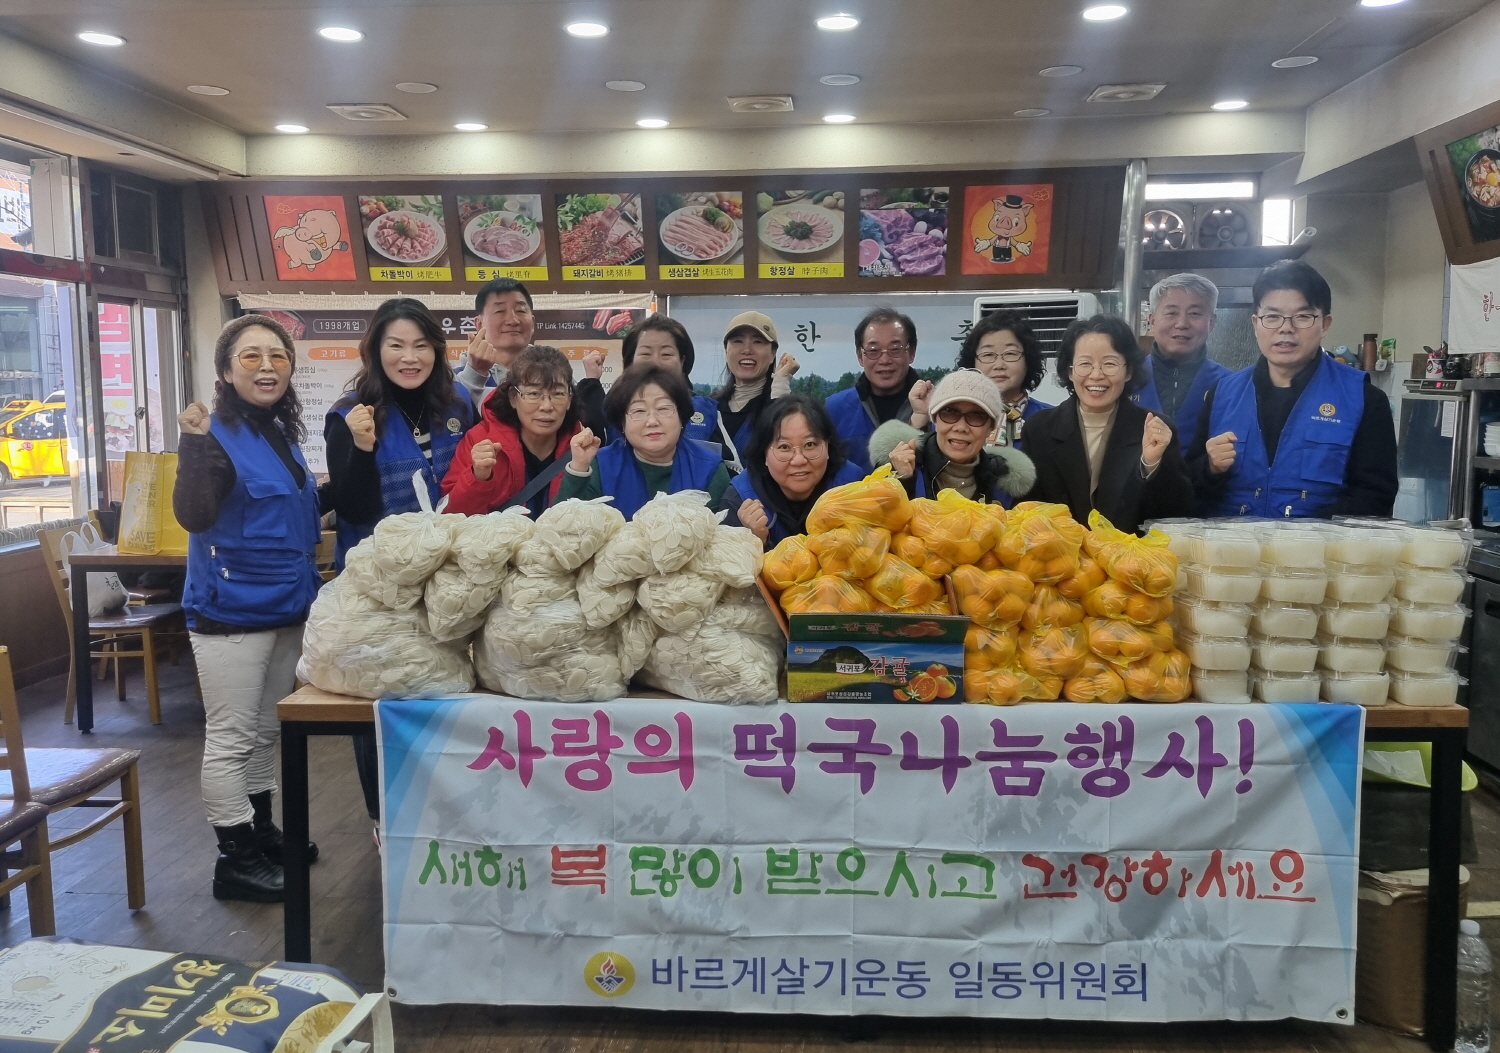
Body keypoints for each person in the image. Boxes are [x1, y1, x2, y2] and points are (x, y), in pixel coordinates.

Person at [173, 315, 323, 903]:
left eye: (278, 356)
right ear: (226, 371)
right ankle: (234, 858)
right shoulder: (212, 432)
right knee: (232, 735)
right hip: (228, 610)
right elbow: (194, 514)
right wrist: (190, 444)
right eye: (251, 357)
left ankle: (262, 835)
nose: (267, 367)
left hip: (287, 603)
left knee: (265, 731)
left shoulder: (278, 434)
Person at [1189, 259, 1398, 518]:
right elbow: (1189, 490)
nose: (1286, 328)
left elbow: (1376, 497)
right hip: (1232, 551)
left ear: (1325, 324)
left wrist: (1303, 536)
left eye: (1302, 317)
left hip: (1319, 554)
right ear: (1255, 323)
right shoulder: (1221, 395)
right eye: (1272, 317)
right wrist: (1209, 468)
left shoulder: (1364, 399)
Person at [325, 298, 474, 569]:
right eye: (396, 345)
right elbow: (353, 511)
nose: (410, 358)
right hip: (378, 576)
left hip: (451, 570)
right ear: (376, 350)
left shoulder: (458, 403)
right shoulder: (349, 415)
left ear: (436, 350)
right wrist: (362, 448)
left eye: (421, 345)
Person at [1020, 314, 1195, 533]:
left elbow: (1178, 514)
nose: (1096, 375)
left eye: (1109, 364)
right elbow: (1027, 512)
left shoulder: (1154, 428)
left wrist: (1151, 465)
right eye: (1085, 364)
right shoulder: (1039, 429)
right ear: (1070, 371)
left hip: (1132, 561)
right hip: (1062, 561)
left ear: (1128, 371)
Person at [560, 363, 732, 518]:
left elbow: (719, 542)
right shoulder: (601, 464)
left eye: (663, 408)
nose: (652, 421)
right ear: (621, 423)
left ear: (682, 416)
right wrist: (579, 469)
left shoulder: (709, 469)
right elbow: (561, 529)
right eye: (639, 411)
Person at [441, 345, 582, 516]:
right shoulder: (481, 440)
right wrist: (478, 477)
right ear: (513, 398)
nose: (546, 406)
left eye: (558, 394)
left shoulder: (582, 446)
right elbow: (451, 516)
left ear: (569, 400)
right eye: (533, 394)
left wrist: (580, 470)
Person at [869, 369, 1036, 504]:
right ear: (934, 418)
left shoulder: (1003, 484)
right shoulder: (896, 466)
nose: (961, 427)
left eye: (976, 416)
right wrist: (902, 482)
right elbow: (869, 530)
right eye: (949, 413)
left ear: (991, 427)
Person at [718, 395, 865, 547]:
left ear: (827, 446)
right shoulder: (740, 499)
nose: (799, 460)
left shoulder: (855, 487)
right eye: (784, 447)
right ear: (764, 454)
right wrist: (754, 542)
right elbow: (724, 566)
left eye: (810, 444)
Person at [575, 314, 719, 444]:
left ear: (682, 361)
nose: (655, 362)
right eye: (645, 354)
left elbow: (728, 465)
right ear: (630, 361)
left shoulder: (708, 410)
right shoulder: (613, 407)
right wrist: (592, 382)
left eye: (666, 354)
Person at [921, 310, 1050, 449]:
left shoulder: (1050, 420)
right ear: (972, 361)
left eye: (1011, 353)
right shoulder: (948, 418)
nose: (999, 365)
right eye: (988, 354)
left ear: (1028, 360)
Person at [1131, 273, 1230, 451]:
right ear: (1152, 320)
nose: (1182, 323)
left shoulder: (1230, 386)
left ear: (1212, 322)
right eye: (1171, 313)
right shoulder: (1126, 379)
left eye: (1194, 313)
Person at [826, 306, 926, 471]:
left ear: (912, 352)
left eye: (895, 349)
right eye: (873, 351)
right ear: (860, 356)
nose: (884, 360)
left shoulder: (936, 407)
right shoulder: (834, 409)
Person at [712, 311, 799, 470]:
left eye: (758, 342)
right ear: (726, 350)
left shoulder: (783, 406)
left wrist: (781, 384)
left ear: (773, 353)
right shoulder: (709, 409)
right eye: (738, 341)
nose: (747, 350)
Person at [455, 277, 535, 404]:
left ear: (532, 323)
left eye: (520, 311)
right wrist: (475, 373)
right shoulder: (454, 380)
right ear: (479, 324)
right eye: (500, 311)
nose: (512, 320)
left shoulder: (553, 373)